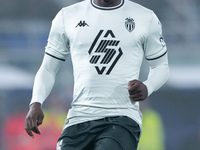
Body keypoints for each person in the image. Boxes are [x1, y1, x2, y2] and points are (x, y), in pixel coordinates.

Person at [25, 0, 169, 149]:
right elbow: (48, 68)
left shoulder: (145, 17)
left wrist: (148, 86)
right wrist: (36, 102)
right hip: (79, 117)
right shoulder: (67, 16)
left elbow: (161, 66)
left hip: (122, 117)